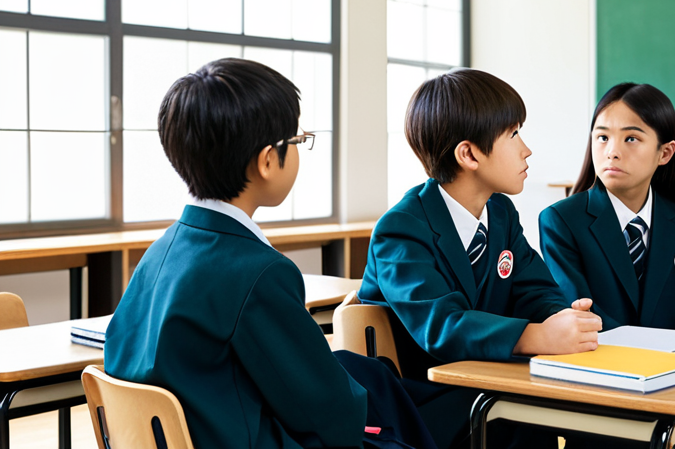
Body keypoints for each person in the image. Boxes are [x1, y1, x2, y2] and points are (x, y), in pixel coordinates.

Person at [105, 58, 435, 449]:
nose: (299, 150)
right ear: (266, 161)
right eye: (296, 141)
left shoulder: (160, 250)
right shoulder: (260, 272)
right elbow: (332, 414)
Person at [359, 68, 602, 449]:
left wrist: (561, 318)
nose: (527, 149)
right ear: (469, 154)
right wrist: (536, 335)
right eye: (514, 134)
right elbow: (443, 326)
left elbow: (533, 287)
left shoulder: (500, 213)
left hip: (489, 386)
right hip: (426, 407)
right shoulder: (402, 229)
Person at [538, 82, 675, 349]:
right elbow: (579, 318)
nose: (612, 151)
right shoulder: (561, 221)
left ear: (665, 152)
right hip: (599, 371)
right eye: (602, 138)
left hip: (673, 375)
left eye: (631, 139)